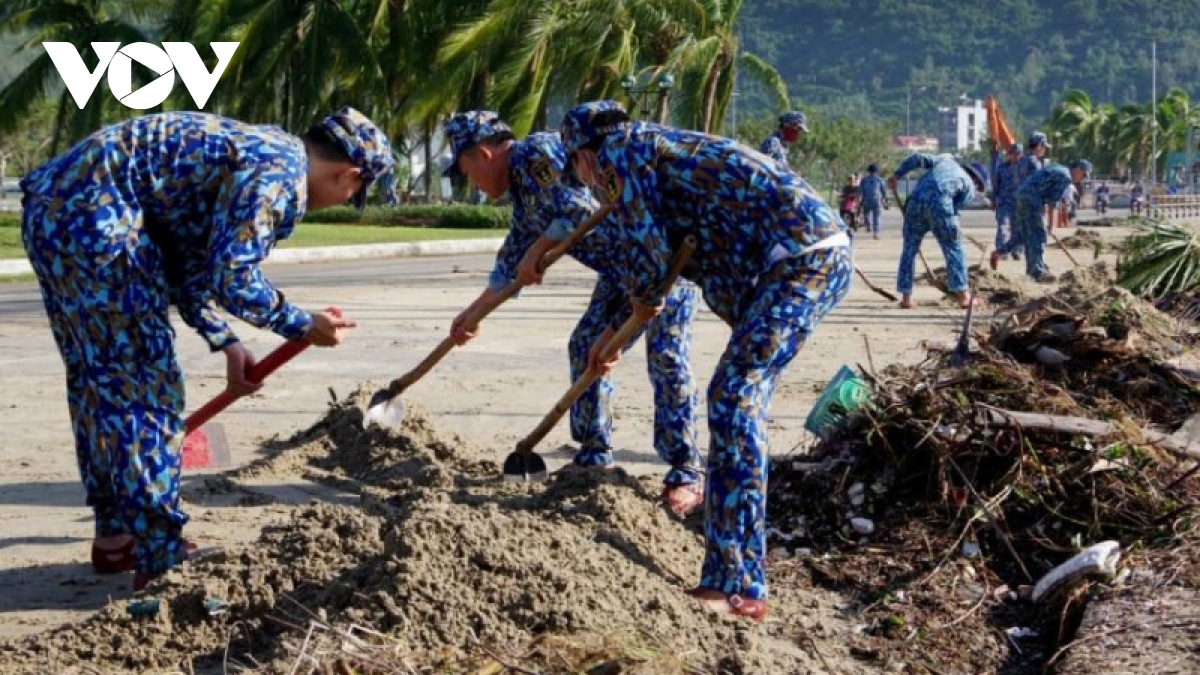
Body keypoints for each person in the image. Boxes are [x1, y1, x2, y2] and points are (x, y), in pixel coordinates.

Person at [20, 108, 387, 591]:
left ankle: (116, 538)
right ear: (350, 174)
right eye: (354, 194)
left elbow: (186, 260)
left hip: (59, 216)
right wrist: (301, 324)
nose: (345, 201)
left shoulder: (257, 149)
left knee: (97, 380)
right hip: (99, 226)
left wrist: (226, 341)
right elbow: (233, 277)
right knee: (144, 392)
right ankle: (161, 554)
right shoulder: (279, 173)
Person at [560, 100, 852, 622]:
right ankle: (735, 564)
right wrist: (609, 338)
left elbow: (648, 270)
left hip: (799, 259)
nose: (589, 187)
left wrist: (611, 340)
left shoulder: (621, 152)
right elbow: (642, 269)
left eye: (580, 174)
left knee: (734, 397)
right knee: (736, 397)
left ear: (584, 156)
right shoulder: (656, 153)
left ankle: (736, 582)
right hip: (801, 258)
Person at [440, 111, 705, 515]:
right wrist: (472, 315)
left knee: (666, 359)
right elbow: (511, 265)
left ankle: (685, 471)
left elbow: (578, 210)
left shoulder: (535, 155)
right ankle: (595, 454)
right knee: (586, 346)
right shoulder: (523, 195)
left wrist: (539, 247)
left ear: (483, 153)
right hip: (621, 273)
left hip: (660, 260)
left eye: (466, 170)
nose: (470, 182)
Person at [888, 154, 985, 310]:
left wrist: (897, 175)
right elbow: (954, 211)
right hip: (940, 203)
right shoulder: (969, 185)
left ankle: (906, 297)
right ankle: (964, 297)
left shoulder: (944, 161)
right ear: (976, 180)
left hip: (914, 202)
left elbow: (918, 158)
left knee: (909, 250)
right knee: (953, 248)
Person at [1013, 159, 1092, 283]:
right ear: (1077, 170)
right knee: (1039, 236)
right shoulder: (1065, 177)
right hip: (1031, 200)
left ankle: (1034, 268)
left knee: (1031, 236)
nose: (1082, 179)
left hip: (1023, 197)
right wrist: (1051, 226)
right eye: (1083, 175)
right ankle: (1038, 272)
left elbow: (1045, 190)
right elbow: (1053, 203)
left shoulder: (1059, 168)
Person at [989, 142, 1023, 269]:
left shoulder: (1024, 168)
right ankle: (1001, 251)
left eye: (1017, 154)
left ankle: (1017, 251)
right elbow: (996, 185)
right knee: (1003, 227)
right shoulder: (1002, 168)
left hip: (1019, 203)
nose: (1015, 156)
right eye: (1013, 154)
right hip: (1004, 202)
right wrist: (993, 200)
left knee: (1018, 229)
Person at [858, 164, 888, 239]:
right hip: (877, 201)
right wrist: (884, 201)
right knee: (876, 218)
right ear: (876, 171)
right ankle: (875, 233)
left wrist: (859, 202)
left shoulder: (864, 180)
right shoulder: (880, 180)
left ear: (868, 171)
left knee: (866, 215)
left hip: (866, 201)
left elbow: (859, 192)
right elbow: (884, 191)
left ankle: (868, 226)